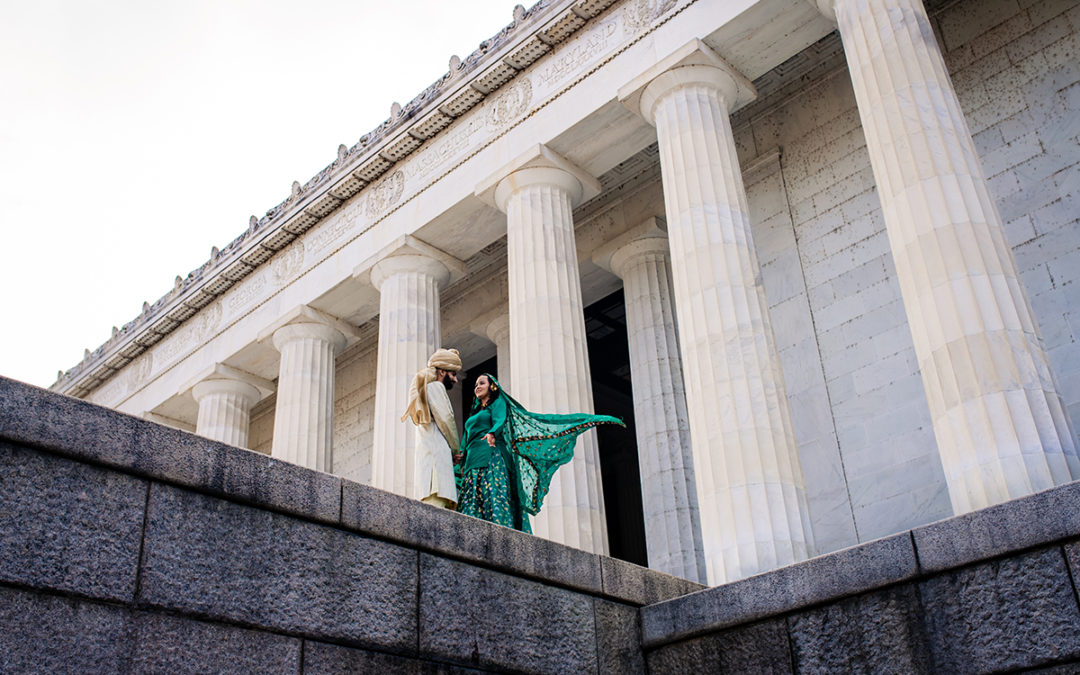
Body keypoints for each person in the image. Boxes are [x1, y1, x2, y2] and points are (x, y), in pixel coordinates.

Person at [456, 373, 623, 532]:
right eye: (476, 384)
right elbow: (466, 437)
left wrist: (492, 432)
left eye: (482, 383)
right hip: (472, 457)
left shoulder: (497, 403)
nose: (477, 386)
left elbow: (500, 419)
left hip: (489, 455)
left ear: (492, 387)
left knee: (492, 492)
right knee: (472, 496)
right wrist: (461, 456)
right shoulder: (475, 413)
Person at [402, 348, 463, 509]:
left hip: (429, 455)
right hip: (436, 457)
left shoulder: (425, 389)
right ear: (442, 372)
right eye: (453, 374)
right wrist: (455, 450)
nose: (456, 380)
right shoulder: (435, 387)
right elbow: (446, 420)